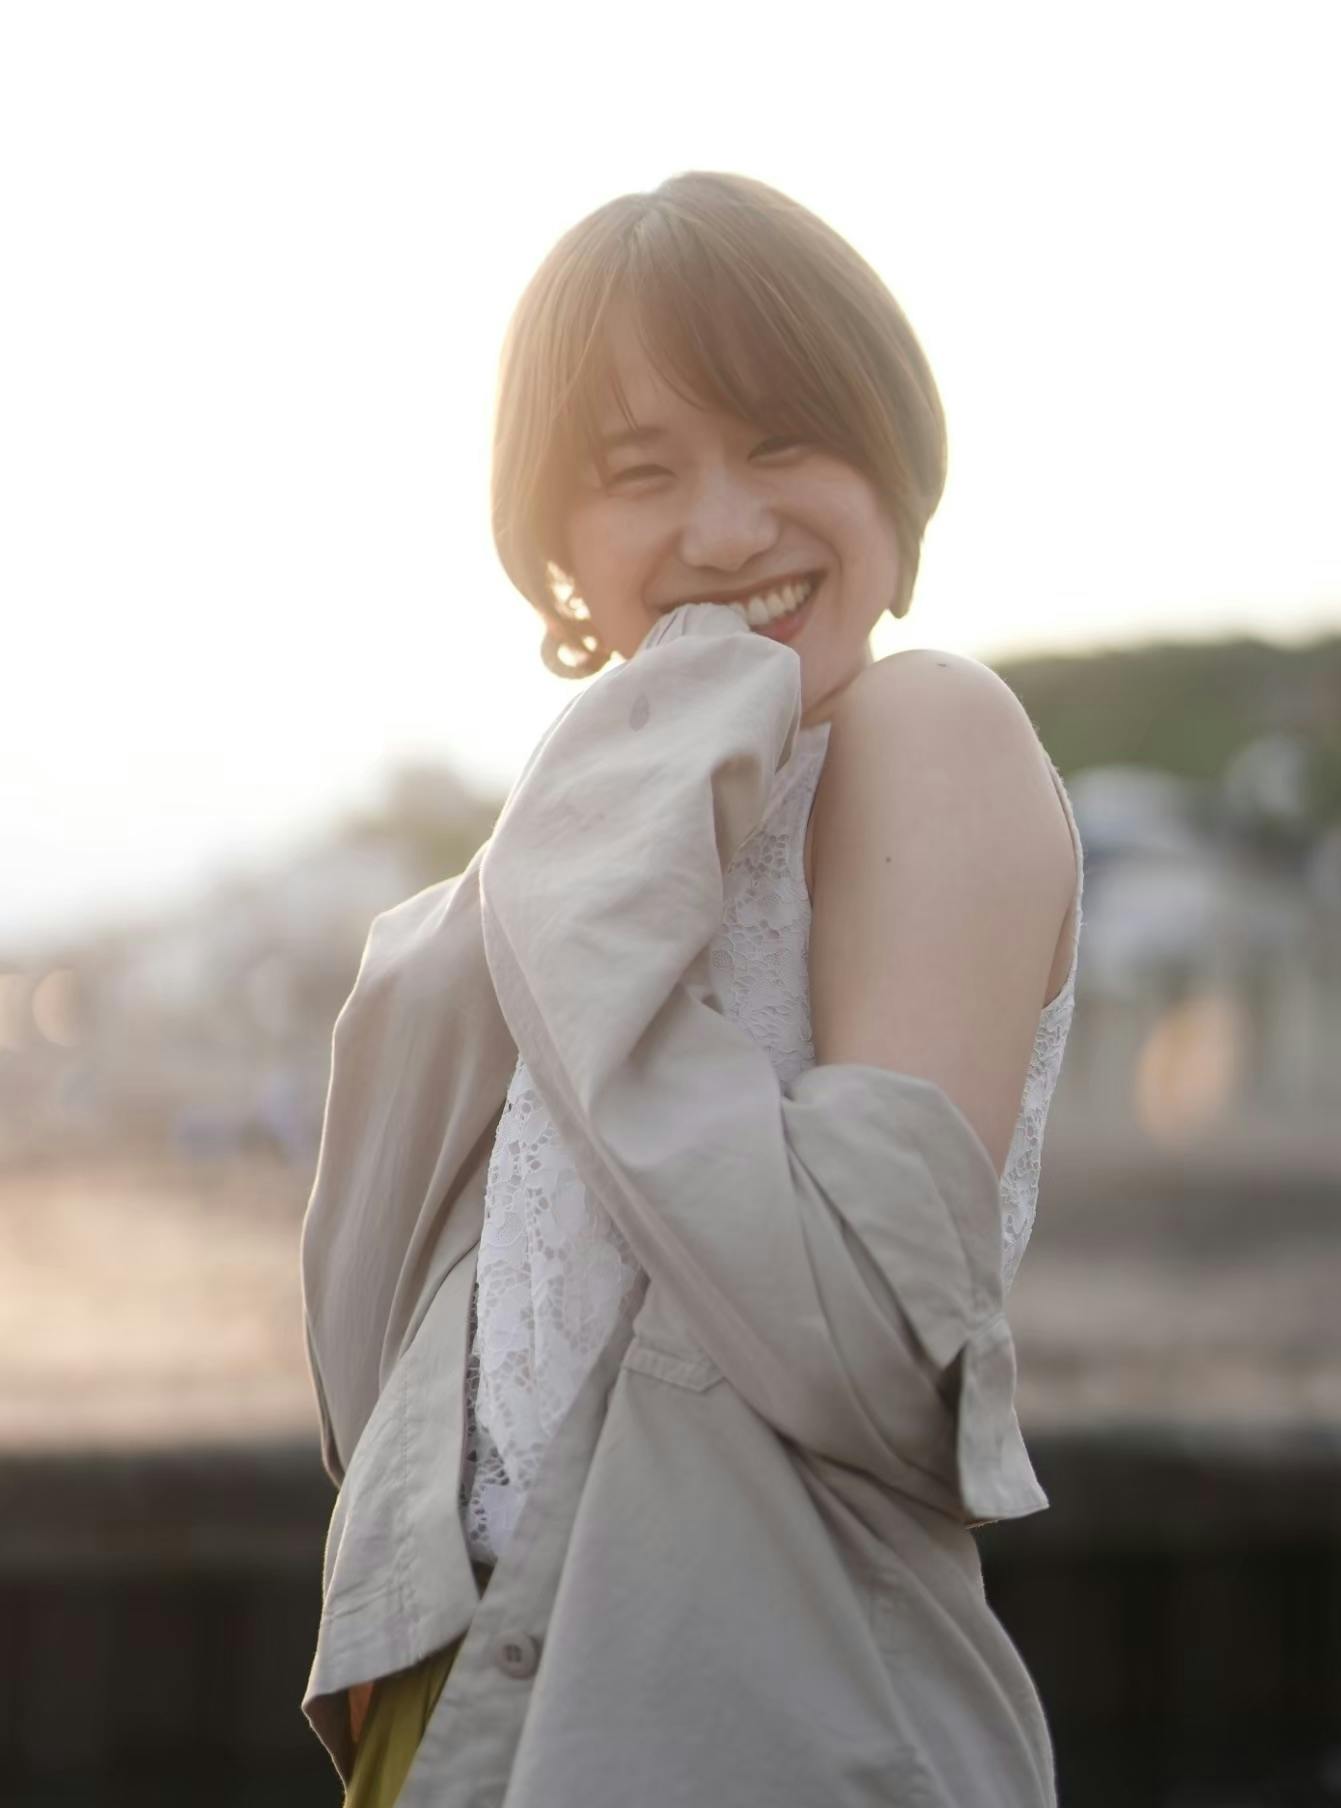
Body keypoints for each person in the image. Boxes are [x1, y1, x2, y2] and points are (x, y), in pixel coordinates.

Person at [308, 169, 1085, 1807]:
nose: (728, 530)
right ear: (556, 549)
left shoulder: (925, 733)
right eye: (643, 473)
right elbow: (401, 1350)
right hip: (464, 1719)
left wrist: (576, 925)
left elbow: (875, 1343)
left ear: (891, 464)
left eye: (785, 443)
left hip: (767, 1712)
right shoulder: (585, 836)